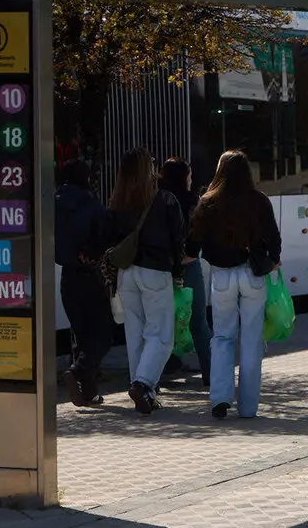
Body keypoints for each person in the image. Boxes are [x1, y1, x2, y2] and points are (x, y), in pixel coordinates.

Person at [188, 150, 282, 420]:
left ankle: (219, 397)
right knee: (251, 340)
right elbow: (274, 242)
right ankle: (249, 408)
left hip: (221, 276)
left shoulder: (207, 202)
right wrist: (271, 260)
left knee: (222, 337)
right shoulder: (259, 201)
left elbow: (194, 243)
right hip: (252, 275)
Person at [108, 148, 186, 415]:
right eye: (152, 163)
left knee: (135, 332)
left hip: (126, 272)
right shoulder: (165, 200)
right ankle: (143, 384)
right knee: (161, 334)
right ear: (147, 169)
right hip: (155, 272)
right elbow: (178, 240)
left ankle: (141, 387)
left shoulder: (117, 201)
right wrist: (178, 271)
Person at [55, 160, 113, 406]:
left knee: (81, 335)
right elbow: (105, 238)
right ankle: (78, 371)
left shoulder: (53, 203)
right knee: (103, 334)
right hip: (90, 276)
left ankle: (88, 392)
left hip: (67, 275)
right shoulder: (91, 204)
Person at [160, 158, 212, 386]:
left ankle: (158, 372)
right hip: (189, 267)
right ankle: (211, 374)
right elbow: (196, 243)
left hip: (161, 270)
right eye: (189, 176)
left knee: (162, 322)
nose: (191, 180)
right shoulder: (194, 203)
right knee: (198, 322)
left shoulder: (157, 202)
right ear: (184, 178)